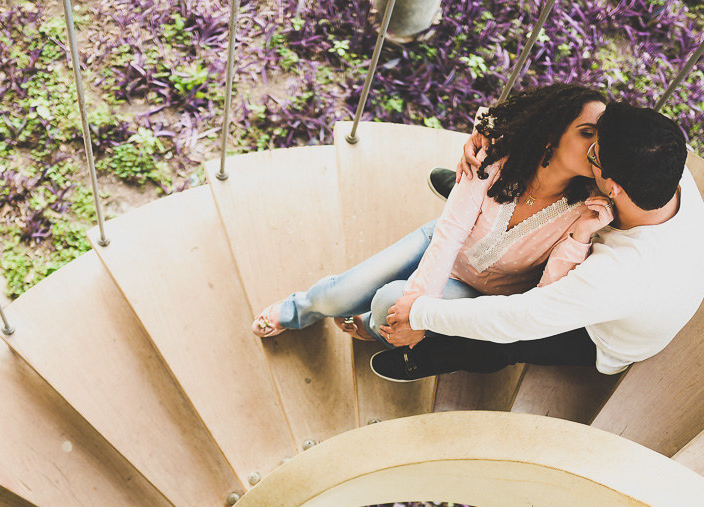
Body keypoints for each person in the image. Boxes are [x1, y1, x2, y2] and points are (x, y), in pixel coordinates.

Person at [373, 101, 704, 382]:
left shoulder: (615, 277)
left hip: (603, 334)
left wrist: (422, 313)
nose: (588, 151)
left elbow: (520, 316)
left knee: (505, 345)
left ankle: (426, 360)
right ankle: (489, 202)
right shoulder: (660, 160)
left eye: (594, 155)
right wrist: (492, 133)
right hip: (646, 281)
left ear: (613, 188)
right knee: (513, 203)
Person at [250, 83, 614, 343]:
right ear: (552, 133)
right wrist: (418, 303)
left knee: (387, 303)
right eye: (587, 133)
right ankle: (301, 309)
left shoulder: (588, 209)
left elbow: (546, 296)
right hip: (439, 243)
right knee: (338, 296)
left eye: (602, 138)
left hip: (482, 293)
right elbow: (451, 231)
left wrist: (580, 236)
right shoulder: (495, 156)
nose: (597, 147)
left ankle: (373, 328)